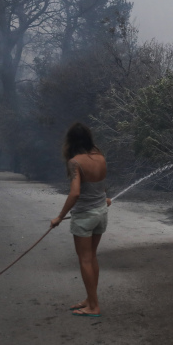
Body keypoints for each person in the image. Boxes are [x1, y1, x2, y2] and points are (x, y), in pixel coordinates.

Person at [50, 123, 111, 317]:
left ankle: (94, 307)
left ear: (71, 141)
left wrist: (59, 216)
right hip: (101, 214)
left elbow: (75, 192)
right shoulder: (100, 157)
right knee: (91, 257)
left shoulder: (75, 162)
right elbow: (100, 185)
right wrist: (104, 198)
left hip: (84, 216)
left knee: (85, 259)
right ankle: (90, 299)